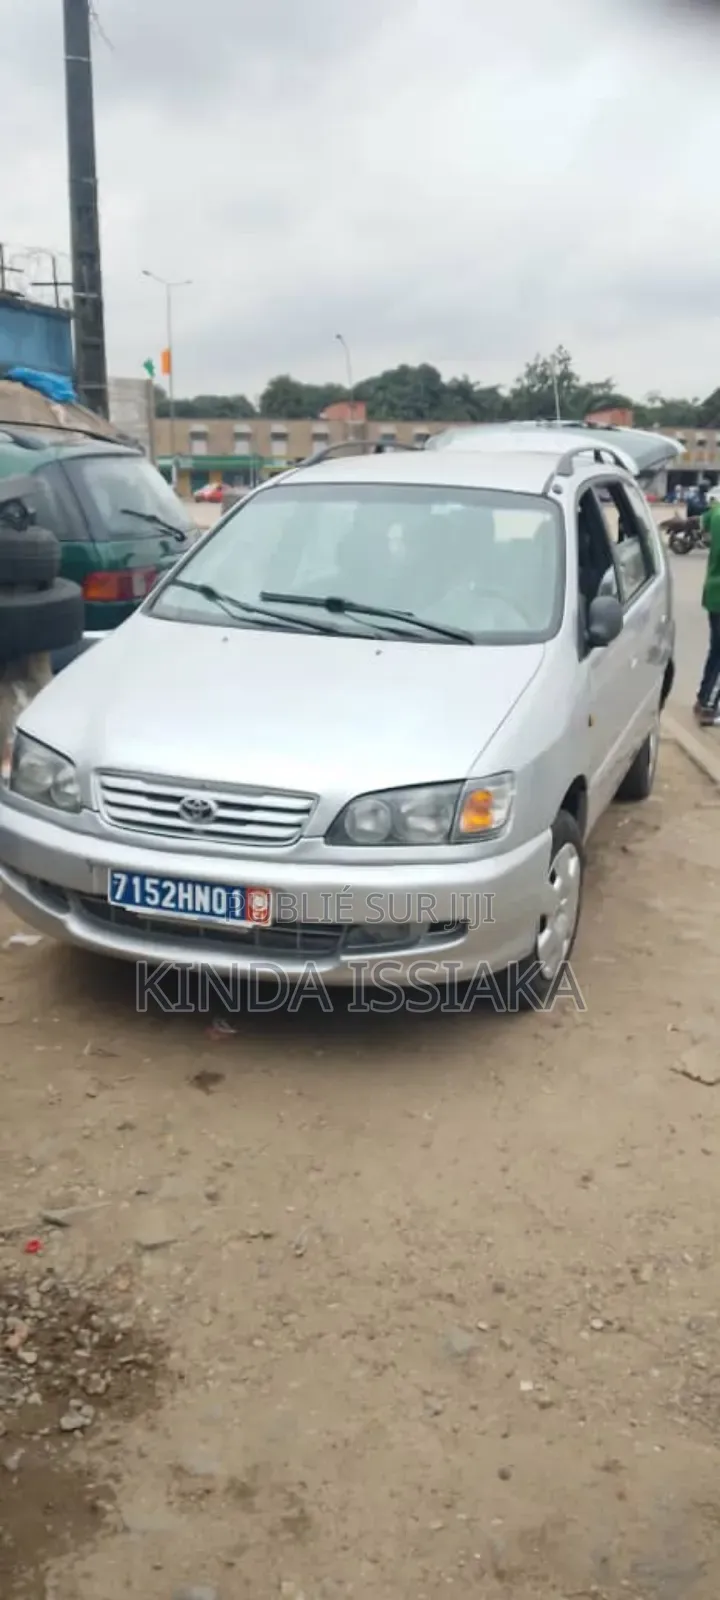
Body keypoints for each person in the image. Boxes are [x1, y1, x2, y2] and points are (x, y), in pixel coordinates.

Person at [694, 495, 720, 725]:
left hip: (713, 592)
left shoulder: (715, 512)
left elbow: (701, 522)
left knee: (716, 651)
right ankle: (708, 707)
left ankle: (704, 698)